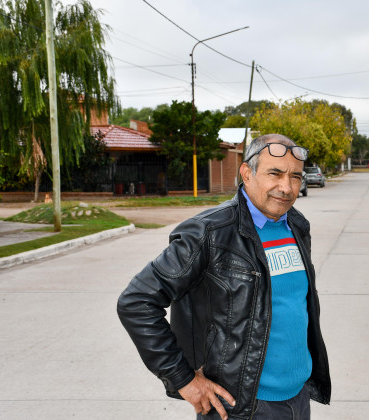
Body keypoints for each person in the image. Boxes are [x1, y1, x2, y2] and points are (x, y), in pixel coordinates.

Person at [117, 134, 331, 420]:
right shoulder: (209, 232)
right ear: (246, 172)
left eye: (295, 176)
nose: (287, 187)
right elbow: (136, 301)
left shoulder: (296, 225)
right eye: (275, 174)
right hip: (242, 407)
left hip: (298, 399)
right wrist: (182, 379)